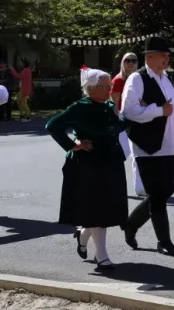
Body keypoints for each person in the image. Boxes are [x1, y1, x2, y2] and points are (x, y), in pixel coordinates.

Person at [46, 69, 130, 270]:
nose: (109, 89)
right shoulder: (79, 107)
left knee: (105, 210)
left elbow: (115, 127)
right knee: (95, 210)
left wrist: (128, 120)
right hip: (87, 165)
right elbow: (53, 125)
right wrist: (73, 144)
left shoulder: (109, 106)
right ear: (91, 88)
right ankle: (102, 257)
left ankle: (83, 235)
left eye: (110, 85)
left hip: (110, 162)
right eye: (105, 86)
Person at [121, 37, 174, 255]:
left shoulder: (166, 78)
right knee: (158, 195)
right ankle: (164, 242)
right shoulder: (137, 79)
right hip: (148, 147)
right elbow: (129, 112)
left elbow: (172, 110)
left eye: (168, 56)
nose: (167, 59)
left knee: (166, 191)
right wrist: (158, 110)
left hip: (168, 145)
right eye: (163, 56)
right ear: (149, 57)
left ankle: (131, 224)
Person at [112, 53, 146, 197]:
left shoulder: (139, 80)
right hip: (122, 121)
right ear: (122, 63)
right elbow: (114, 106)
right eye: (127, 60)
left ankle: (140, 188)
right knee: (122, 154)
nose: (131, 63)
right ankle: (111, 184)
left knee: (137, 154)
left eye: (134, 60)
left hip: (137, 120)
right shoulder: (118, 80)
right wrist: (117, 124)